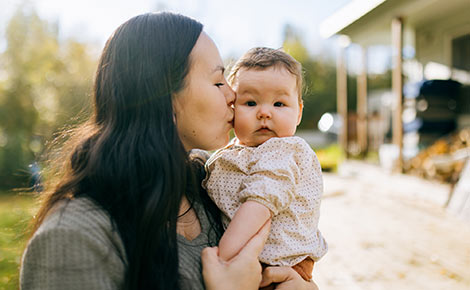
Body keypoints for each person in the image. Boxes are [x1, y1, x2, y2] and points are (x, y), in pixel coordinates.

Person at [19, 12, 319, 290]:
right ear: (164, 99)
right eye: (217, 81)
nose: (232, 96)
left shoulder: (209, 182)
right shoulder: (74, 237)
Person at [204, 47, 327, 287]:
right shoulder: (237, 151)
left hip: (279, 267)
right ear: (232, 108)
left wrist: (224, 256)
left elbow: (259, 205)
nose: (264, 113)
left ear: (299, 112)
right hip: (260, 262)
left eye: (279, 104)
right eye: (250, 102)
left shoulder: (284, 151)